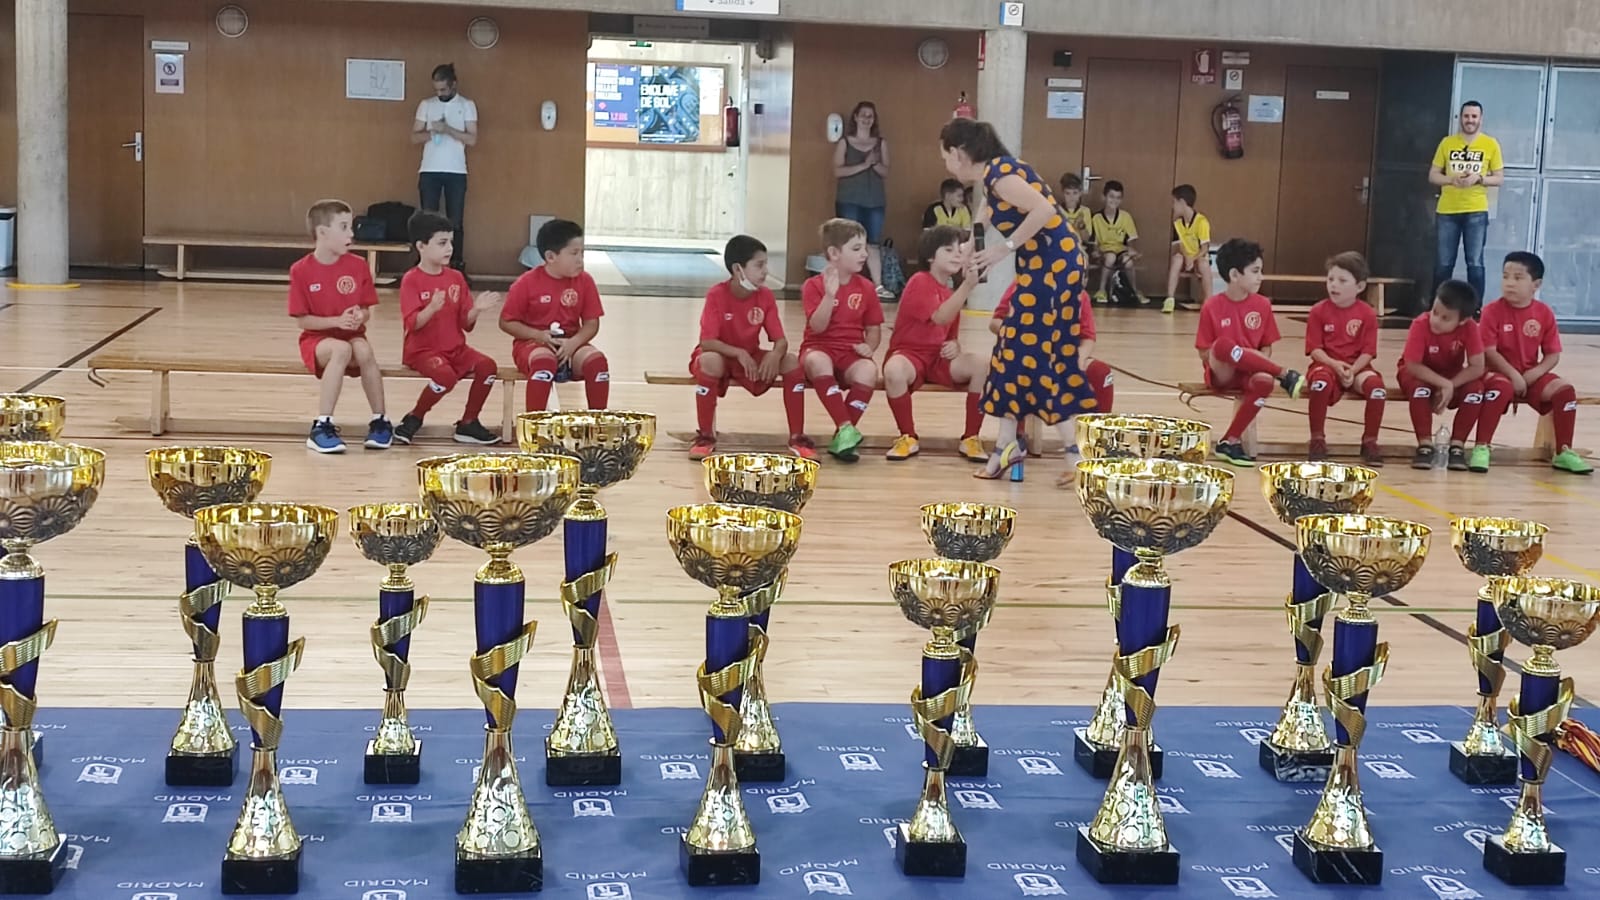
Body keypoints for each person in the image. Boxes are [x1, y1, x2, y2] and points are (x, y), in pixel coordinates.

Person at [939, 117, 1099, 487]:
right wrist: (970, 247)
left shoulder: (1002, 175)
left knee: (1032, 353)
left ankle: (1064, 453)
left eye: (945, 156)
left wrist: (1004, 248)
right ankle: (1015, 446)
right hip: (1044, 268)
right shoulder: (993, 178)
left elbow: (1044, 210)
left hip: (1055, 268)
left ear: (959, 153)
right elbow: (984, 218)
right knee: (1014, 351)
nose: (945, 163)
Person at [689, 235, 814, 461]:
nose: (766, 271)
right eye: (759, 265)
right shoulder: (717, 294)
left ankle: (797, 438)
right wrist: (738, 353)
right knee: (710, 361)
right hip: (722, 355)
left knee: (791, 361)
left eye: (766, 264)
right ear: (738, 269)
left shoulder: (765, 296)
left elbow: (780, 340)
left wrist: (775, 355)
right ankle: (705, 437)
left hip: (750, 355)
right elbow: (707, 342)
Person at [1475, 251, 1593, 475]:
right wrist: (1513, 375)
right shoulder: (1491, 311)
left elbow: (1552, 355)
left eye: (1518, 277)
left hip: (1530, 375)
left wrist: (1532, 374)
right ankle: (1481, 447)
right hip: (1497, 373)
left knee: (1565, 391)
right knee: (1501, 387)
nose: (1509, 283)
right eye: (1505, 276)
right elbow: (1488, 351)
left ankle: (1563, 451)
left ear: (1536, 285)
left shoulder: (1544, 313)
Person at [288, 199, 391, 454]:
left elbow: (366, 310)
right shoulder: (301, 270)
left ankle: (380, 420)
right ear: (323, 233)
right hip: (317, 341)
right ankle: (322, 425)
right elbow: (302, 320)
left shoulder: (358, 265)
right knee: (340, 350)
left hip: (352, 335)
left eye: (350, 226)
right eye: (344, 227)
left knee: (363, 350)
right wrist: (336, 321)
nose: (351, 233)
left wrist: (359, 317)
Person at [393, 211, 502, 446]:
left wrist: (477, 309)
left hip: (455, 349)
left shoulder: (456, 278)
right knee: (445, 377)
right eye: (442, 243)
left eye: (451, 242)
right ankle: (414, 417)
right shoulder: (412, 279)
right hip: (422, 351)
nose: (449, 248)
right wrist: (431, 308)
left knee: (488, 367)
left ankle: (468, 422)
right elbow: (412, 324)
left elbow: (466, 324)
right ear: (421, 246)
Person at [1195, 238, 1307, 467]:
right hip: (1223, 372)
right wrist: (1235, 354)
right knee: (1223, 345)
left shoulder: (1263, 304)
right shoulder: (1212, 306)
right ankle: (1284, 374)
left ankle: (1229, 440)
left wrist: (1252, 360)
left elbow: (1266, 346)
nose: (1261, 277)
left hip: (1251, 371)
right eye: (1255, 271)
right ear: (1235, 275)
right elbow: (1205, 352)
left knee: (1264, 381)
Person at [883, 225, 990, 462]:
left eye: (959, 251)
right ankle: (908, 436)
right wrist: (967, 286)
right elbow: (940, 317)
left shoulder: (950, 292)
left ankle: (971, 437)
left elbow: (950, 333)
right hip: (910, 354)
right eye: (948, 250)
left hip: (938, 358)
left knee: (981, 364)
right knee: (894, 370)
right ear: (931, 256)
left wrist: (955, 346)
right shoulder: (920, 281)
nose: (957, 255)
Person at [500, 219, 610, 412]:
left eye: (582, 253)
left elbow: (591, 324)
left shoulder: (585, 281)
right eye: (574, 253)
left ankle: (598, 422)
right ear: (551, 257)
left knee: (597, 363)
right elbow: (506, 322)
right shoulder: (525, 283)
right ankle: (534, 422)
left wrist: (573, 343)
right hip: (533, 344)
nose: (580, 260)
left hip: (571, 344)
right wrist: (539, 335)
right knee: (543, 362)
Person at [800, 218, 884, 462]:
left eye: (865, 248)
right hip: (819, 348)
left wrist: (869, 347)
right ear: (834, 253)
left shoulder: (866, 287)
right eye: (856, 249)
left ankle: (843, 436)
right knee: (818, 361)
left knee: (868, 370)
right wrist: (829, 296)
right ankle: (846, 427)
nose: (864, 254)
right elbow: (817, 327)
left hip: (850, 352)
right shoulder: (812, 285)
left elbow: (873, 329)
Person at [1397, 279, 1503, 470]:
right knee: (1420, 389)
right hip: (1418, 373)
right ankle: (1424, 444)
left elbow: (1477, 367)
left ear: (1463, 320)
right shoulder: (1420, 324)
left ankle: (1457, 445)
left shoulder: (1470, 328)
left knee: (1476, 389)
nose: (1436, 320)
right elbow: (1412, 365)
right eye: (1435, 312)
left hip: (1450, 375)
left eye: (1445, 318)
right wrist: (1444, 384)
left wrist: (1451, 383)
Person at [1304, 252, 1385, 466]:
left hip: (1357, 367)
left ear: (1359, 287)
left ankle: (1370, 441)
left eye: (1342, 280)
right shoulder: (1318, 311)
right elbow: (1315, 350)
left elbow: (1368, 351)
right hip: (1326, 365)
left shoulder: (1367, 313)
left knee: (1377, 389)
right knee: (1320, 384)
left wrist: (1353, 370)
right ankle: (1317, 439)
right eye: (1331, 279)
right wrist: (1335, 365)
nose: (1334, 285)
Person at [991, 283, 1114, 413]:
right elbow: (995, 323)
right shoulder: (1020, 285)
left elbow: (1088, 337)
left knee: (1101, 372)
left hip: (1063, 358)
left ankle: (1098, 423)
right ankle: (1020, 423)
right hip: (1026, 354)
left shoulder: (1079, 293)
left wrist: (1079, 359)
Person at [1429, 101, 1503, 304]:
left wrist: (1478, 178)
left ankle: (1475, 310)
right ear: (1460, 118)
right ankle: (1437, 307)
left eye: (1474, 116)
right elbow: (1433, 175)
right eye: (1466, 116)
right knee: (1444, 264)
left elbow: (1499, 178)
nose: (1470, 120)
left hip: (1476, 210)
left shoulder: (1490, 144)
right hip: (1447, 211)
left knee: (1475, 263)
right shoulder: (1447, 143)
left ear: (1481, 119)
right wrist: (1451, 179)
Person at [411, 64, 478, 271]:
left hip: (456, 171)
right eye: (437, 90)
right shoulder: (426, 104)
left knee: (455, 221)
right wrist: (432, 132)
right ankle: (424, 263)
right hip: (429, 170)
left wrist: (448, 130)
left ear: (453, 85)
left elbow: (472, 139)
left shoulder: (466, 105)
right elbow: (414, 137)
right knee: (427, 220)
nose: (440, 94)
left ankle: (455, 264)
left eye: (443, 89)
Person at [833, 101, 893, 298]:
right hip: (849, 199)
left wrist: (873, 164)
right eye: (863, 115)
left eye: (870, 116)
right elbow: (838, 171)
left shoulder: (880, 143)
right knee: (848, 241)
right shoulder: (845, 142)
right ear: (856, 117)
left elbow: (885, 172)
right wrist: (863, 165)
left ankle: (878, 286)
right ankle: (843, 282)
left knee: (873, 242)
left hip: (875, 201)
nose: (867, 119)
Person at [1165, 184, 1212, 315]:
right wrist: (1186, 257)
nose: (1173, 206)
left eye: (1174, 202)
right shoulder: (1177, 223)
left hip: (1199, 257)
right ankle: (1170, 299)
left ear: (1182, 202)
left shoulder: (1202, 222)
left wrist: (1193, 258)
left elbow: (1205, 248)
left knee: (1204, 264)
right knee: (1176, 259)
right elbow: (1179, 245)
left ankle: (1209, 302)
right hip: (1185, 256)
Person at [1090, 180, 1140, 304]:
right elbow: (1094, 241)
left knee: (1128, 263)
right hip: (1104, 251)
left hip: (1121, 250)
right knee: (1111, 257)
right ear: (1104, 197)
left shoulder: (1125, 216)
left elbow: (1131, 240)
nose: (1114, 201)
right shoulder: (1096, 218)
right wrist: (1095, 252)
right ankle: (1102, 290)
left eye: (1118, 198)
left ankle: (1134, 291)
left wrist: (1132, 251)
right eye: (1111, 197)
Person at [1058, 173, 1092, 241]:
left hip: (1079, 245)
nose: (1071, 197)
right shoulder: (1058, 210)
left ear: (1080, 193)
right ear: (1062, 193)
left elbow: (1086, 239)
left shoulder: (1085, 211)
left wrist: (1081, 225)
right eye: (1067, 193)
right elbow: (1057, 236)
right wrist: (1072, 226)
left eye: (1075, 193)